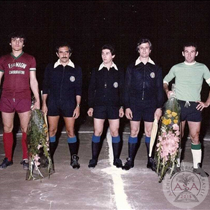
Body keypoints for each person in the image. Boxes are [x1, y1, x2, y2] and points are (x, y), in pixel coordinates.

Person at [163, 41, 210, 176]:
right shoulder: (176, 68)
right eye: (187, 52)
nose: (189, 55)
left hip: (195, 106)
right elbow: (165, 81)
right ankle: (175, 165)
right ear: (183, 53)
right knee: (178, 136)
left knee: (195, 136)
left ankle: (197, 167)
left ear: (196, 53)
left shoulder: (202, 68)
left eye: (192, 52)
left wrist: (207, 102)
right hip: (179, 105)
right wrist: (167, 91)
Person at [0, 32, 40, 169]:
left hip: (24, 97)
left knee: (25, 128)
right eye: (14, 40)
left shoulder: (30, 59)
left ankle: (25, 158)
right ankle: (8, 158)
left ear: (24, 43)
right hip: (6, 97)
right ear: (10, 42)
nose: (17, 43)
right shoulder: (3, 59)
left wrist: (38, 100)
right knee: (7, 128)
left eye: (20, 40)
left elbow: (33, 80)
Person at [123, 38, 164, 171]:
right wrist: (127, 106)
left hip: (150, 105)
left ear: (150, 50)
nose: (144, 50)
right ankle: (130, 159)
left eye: (147, 48)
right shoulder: (132, 67)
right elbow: (127, 88)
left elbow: (159, 89)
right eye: (142, 48)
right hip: (134, 104)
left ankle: (150, 159)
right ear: (138, 50)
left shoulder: (156, 68)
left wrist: (159, 107)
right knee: (134, 131)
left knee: (149, 132)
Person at [42, 42, 82, 170]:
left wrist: (78, 106)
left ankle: (74, 157)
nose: (64, 55)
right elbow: (45, 87)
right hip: (53, 103)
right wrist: (44, 104)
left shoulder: (76, 69)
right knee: (52, 131)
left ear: (70, 53)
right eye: (61, 52)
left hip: (69, 104)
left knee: (71, 131)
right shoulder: (50, 68)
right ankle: (49, 157)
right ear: (57, 54)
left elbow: (78, 90)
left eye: (66, 52)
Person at [87, 44, 124, 168]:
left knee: (115, 131)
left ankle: (117, 158)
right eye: (103, 53)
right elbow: (91, 89)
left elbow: (122, 90)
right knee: (97, 131)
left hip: (114, 106)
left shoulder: (119, 71)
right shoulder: (96, 70)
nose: (104, 56)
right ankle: (93, 158)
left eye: (107, 53)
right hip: (99, 106)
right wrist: (91, 106)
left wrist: (122, 106)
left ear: (113, 55)